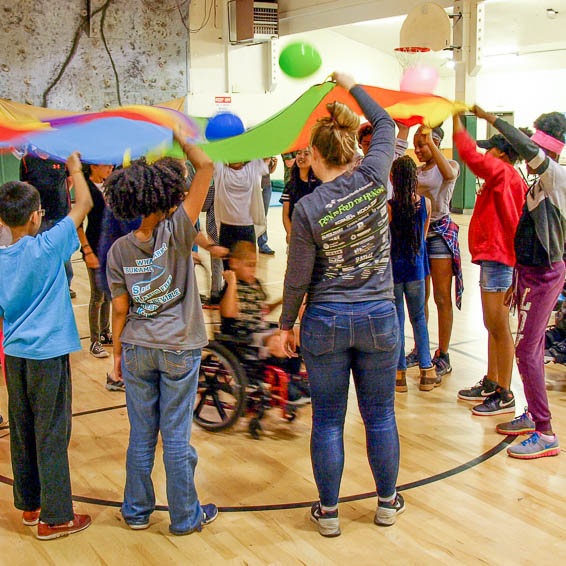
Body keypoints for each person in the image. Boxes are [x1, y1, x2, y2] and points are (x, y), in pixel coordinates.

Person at [280, 72, 404, 537]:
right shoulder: (374, 179)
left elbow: (297, 278)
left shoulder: (309, 208)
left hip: (326, 321)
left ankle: (329, 513)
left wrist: (286, 324)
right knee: (381, 415)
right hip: (379, 318)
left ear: (313, 156)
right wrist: (351, 86)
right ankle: (387, 503)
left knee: (329, 420)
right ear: (350, 149)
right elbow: (385, 123)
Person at [105, 136, 218, 534]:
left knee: (141, 436)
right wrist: (182, 136)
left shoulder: (118, 250)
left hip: (136, 346)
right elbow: (206, 168)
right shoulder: (179, 232)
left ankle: (135, 512)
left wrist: (117, 355)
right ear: (166, 195)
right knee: (175, 436)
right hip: (178, 348)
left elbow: (120, 309)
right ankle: (186, 517)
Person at [0, 152, 93, 540]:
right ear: (36, 215)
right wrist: (74, 169)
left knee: (22, 430)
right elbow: (84, 204)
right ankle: (56, 516)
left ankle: (30, 505)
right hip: (47, 355)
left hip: (15, 355)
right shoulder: (49, 245)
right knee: (52, 431)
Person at [471, 107, 566, 459]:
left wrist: (491, 119)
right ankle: (533, 414)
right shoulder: (543, 180)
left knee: (527, 350)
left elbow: (527, 148)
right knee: (531, 348)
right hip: (529, 273)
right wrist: (517, 274)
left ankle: (545, 431)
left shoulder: (556, 176)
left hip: (544, 276)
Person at [453, 114, 527, 416]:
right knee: (492, 326)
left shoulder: (503, 174)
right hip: (495, 258)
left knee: (499, 327)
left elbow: (469, 156)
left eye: (490, 149)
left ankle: (504, 392)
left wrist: (457, 124)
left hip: (501, 259)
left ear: (502, 153)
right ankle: (493, 380)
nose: (485, 154)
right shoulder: (506, 176)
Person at [409, 125, 461, 376]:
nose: (417, 150)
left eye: (423, 144)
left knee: (442, 298)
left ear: (436, 143)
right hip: (420, 235)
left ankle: (443, 353)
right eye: (415, 145)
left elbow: (450, 175)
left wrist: (433, 142)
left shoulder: (449, 166)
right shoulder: (416, 172)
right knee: (421, 298)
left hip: (440, 235)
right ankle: (421, 348)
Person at [388, 155, 436, 392]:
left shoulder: (389, 206)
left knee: (397, 321)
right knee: (419, 318)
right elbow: (423, 236)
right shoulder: (424, 204)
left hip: (394, 270)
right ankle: (427, 371)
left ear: (392, 179)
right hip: (417, 268)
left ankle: (399, 374)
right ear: (414, 179)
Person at [19, 152, 76, 297]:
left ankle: (66, 286)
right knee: (39, 253)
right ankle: (41, 288)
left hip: (60, 213)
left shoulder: (60, 157)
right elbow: (25, 188)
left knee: (64, 254)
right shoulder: (27, 160)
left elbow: (70, 181)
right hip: (38, 216)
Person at [76, 164, 114, 360]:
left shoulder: (109, 185)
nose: (110, 167)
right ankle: (94, 341)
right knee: (97, 296)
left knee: (108, 294)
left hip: (110, 248)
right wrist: (87, 250)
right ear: (94, 166)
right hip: (94, 248)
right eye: (106, 165)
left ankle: (106, 332)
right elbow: (78, 224)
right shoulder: (87, 190)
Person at [213, 159, 270, 268]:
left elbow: (265, 154)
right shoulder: (221, 169)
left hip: (247, 228)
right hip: (227, 229)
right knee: (228, 269)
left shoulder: (252, 167)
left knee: (247, 268)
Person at [357, 121, 409, 198]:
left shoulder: (390, 159)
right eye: (367, 144)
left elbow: (404, 130)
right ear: (360, 145)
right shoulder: (357, 165)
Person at [280, 147, 321, 244]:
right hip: (296, 235)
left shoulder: (319, 184)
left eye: (306, 154)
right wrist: (290, 233)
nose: (301, 157)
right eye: (298, 153)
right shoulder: (290, 185)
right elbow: (285, 214)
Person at [257, 157, 278, 255]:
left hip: (266, 186)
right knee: (251, 216)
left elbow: (269, 171)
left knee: (263, 216)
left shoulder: (268, 152)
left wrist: (274, 164)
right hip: (254, 186)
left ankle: (263, 244)